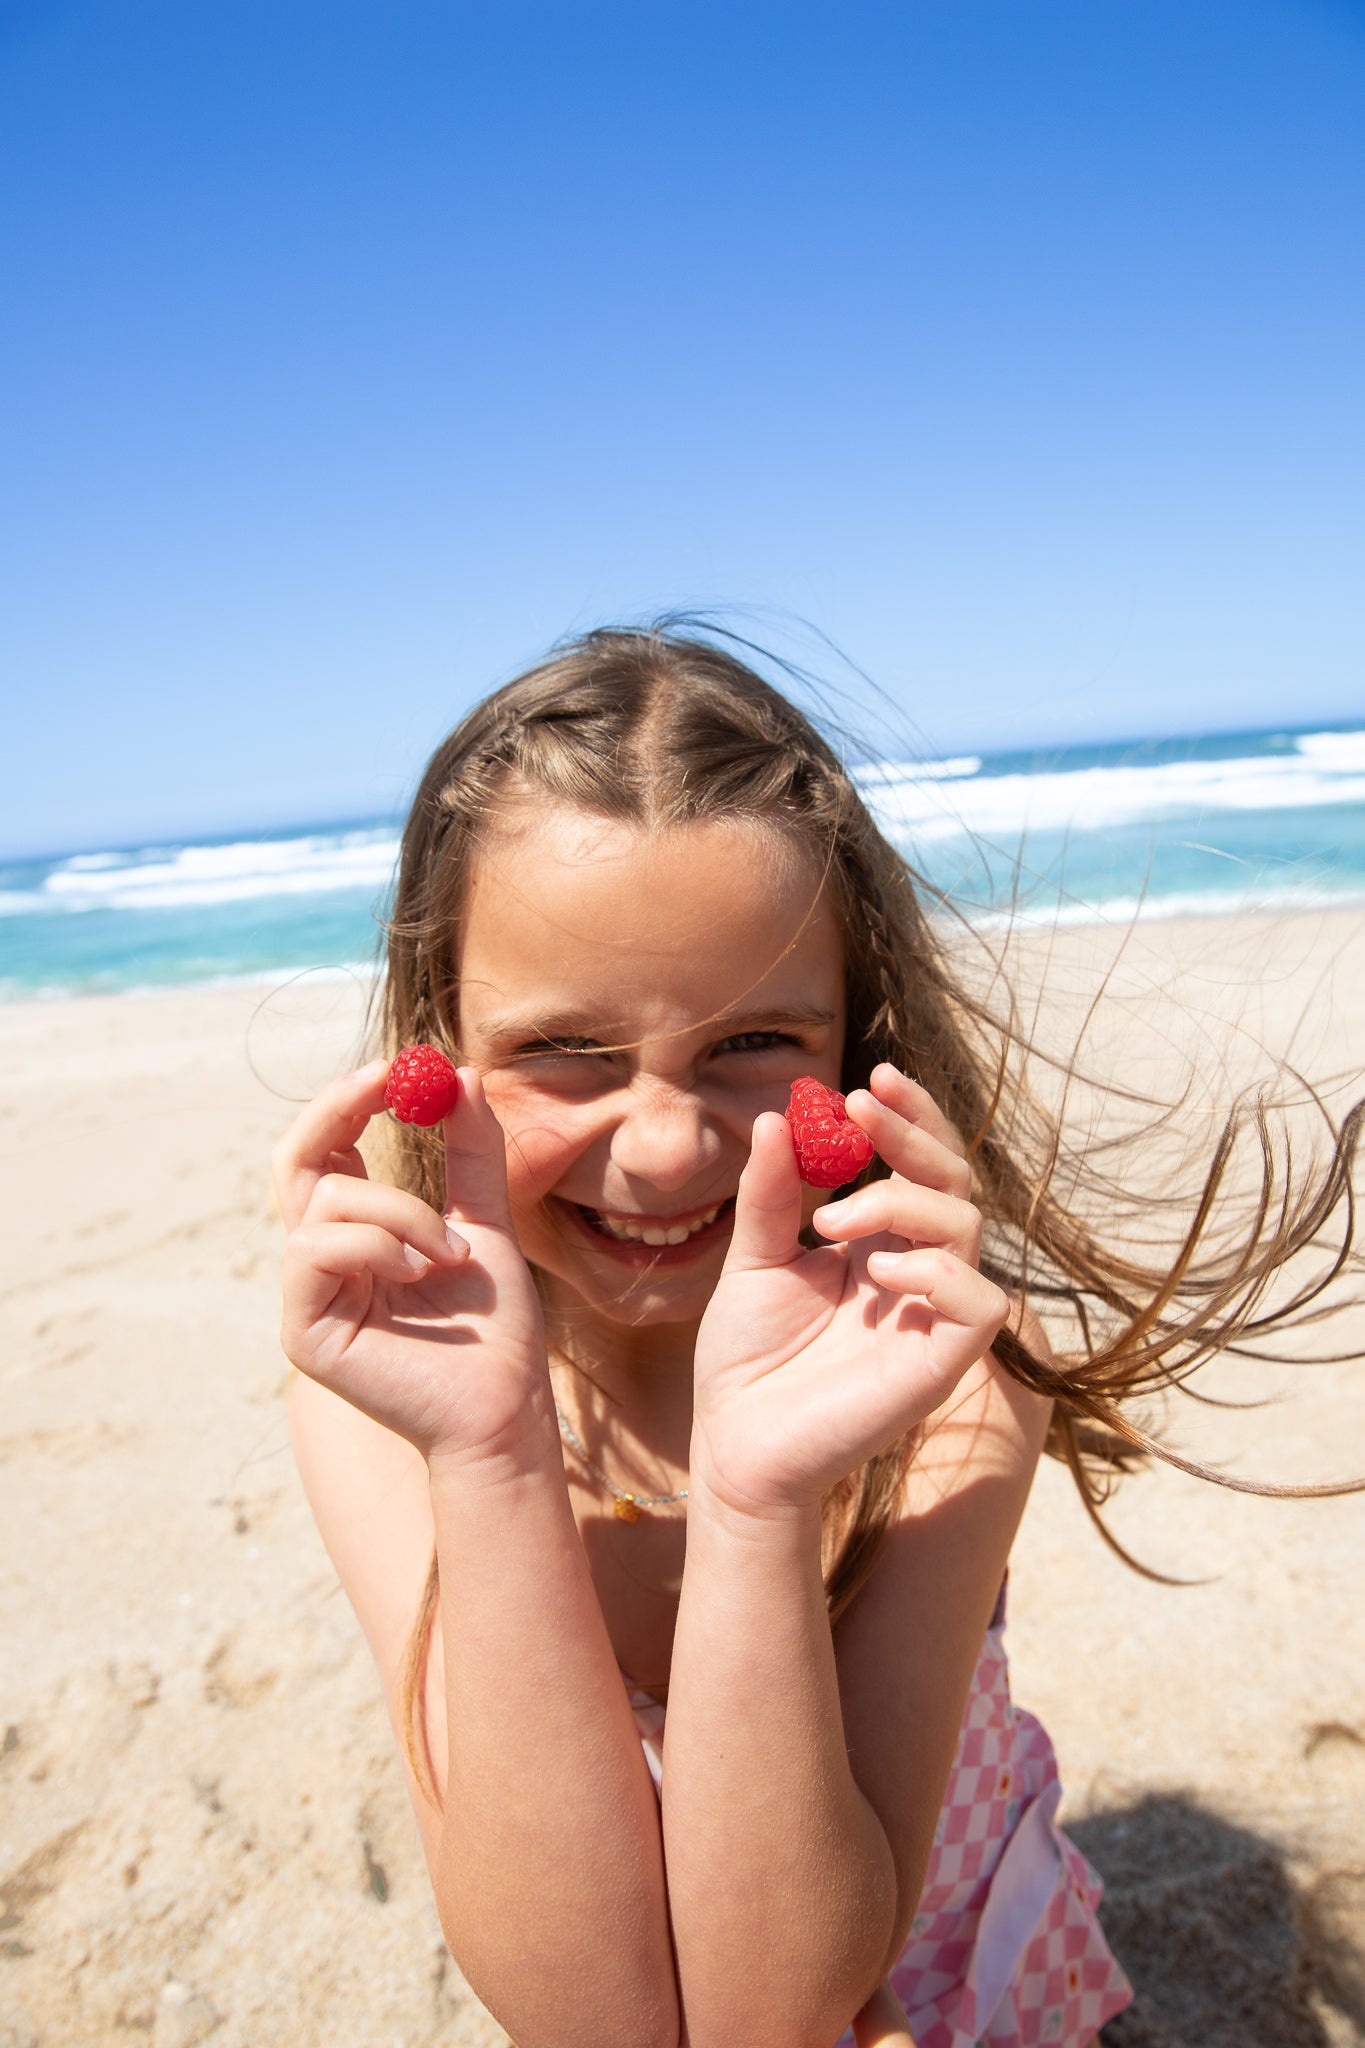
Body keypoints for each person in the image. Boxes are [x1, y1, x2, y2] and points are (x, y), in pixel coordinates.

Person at [273, 627, 1356, 2048]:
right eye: (566, 1052)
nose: (665, 1148)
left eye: (750, 1044)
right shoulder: (390, 1403)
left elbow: (777, 2009)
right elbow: (591, 2021)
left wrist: (760, 1496)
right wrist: (489, 1457)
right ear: (437, 1050)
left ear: (853, 1043)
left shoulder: (945, 1372)